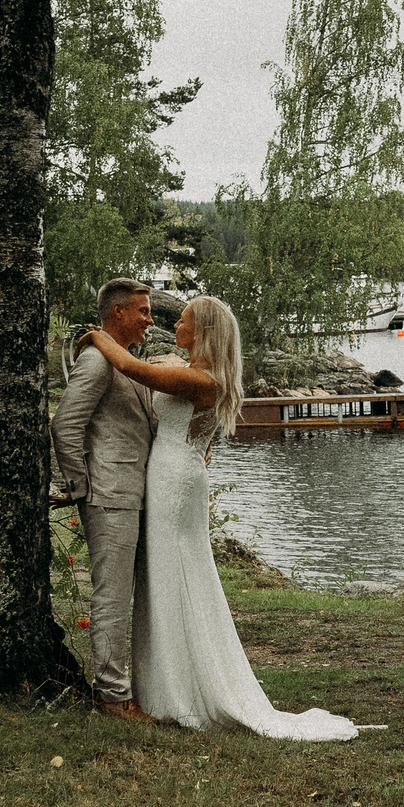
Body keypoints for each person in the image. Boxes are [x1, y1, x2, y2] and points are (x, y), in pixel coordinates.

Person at [80, 296, 357, 741]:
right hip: (174, 473)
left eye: (184, 322)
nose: (175, 327)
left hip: (173, 482)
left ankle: (178, 691)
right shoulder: (202, 374)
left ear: (204, 330)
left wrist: (97, 336)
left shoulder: (200, 379)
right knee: (167, 575)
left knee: (175, 574)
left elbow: (133, 370)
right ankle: (163, 687)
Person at [49, 278, 159, 723]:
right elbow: (65, 425)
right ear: (118, 313)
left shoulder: (125, 359)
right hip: (108, 494)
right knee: (111, 596)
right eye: (144, 311)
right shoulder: (97, 359)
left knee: (137, 594)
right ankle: (111, 696)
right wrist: (80, 487)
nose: (150, 319)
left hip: (134, 491)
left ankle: (137, 686)